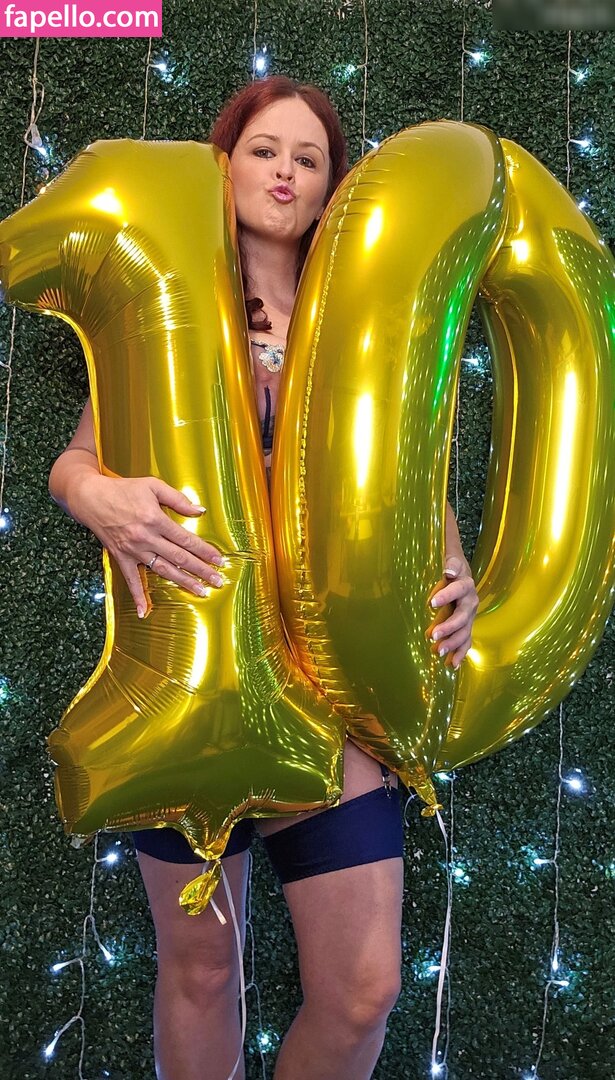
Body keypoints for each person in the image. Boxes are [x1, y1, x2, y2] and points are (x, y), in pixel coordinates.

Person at [48, 75, 479, 1080]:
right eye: (265, 150)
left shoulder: (358, 316)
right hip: (192, 675)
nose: (285, 172)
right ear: (225, 165)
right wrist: (95, 495)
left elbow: (408, 468)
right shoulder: (171, 301)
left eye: (308, 159)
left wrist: (452, 562)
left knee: (364, 990)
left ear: (331, 190)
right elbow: (78, 459)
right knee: (202, 971)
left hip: (334, 688)